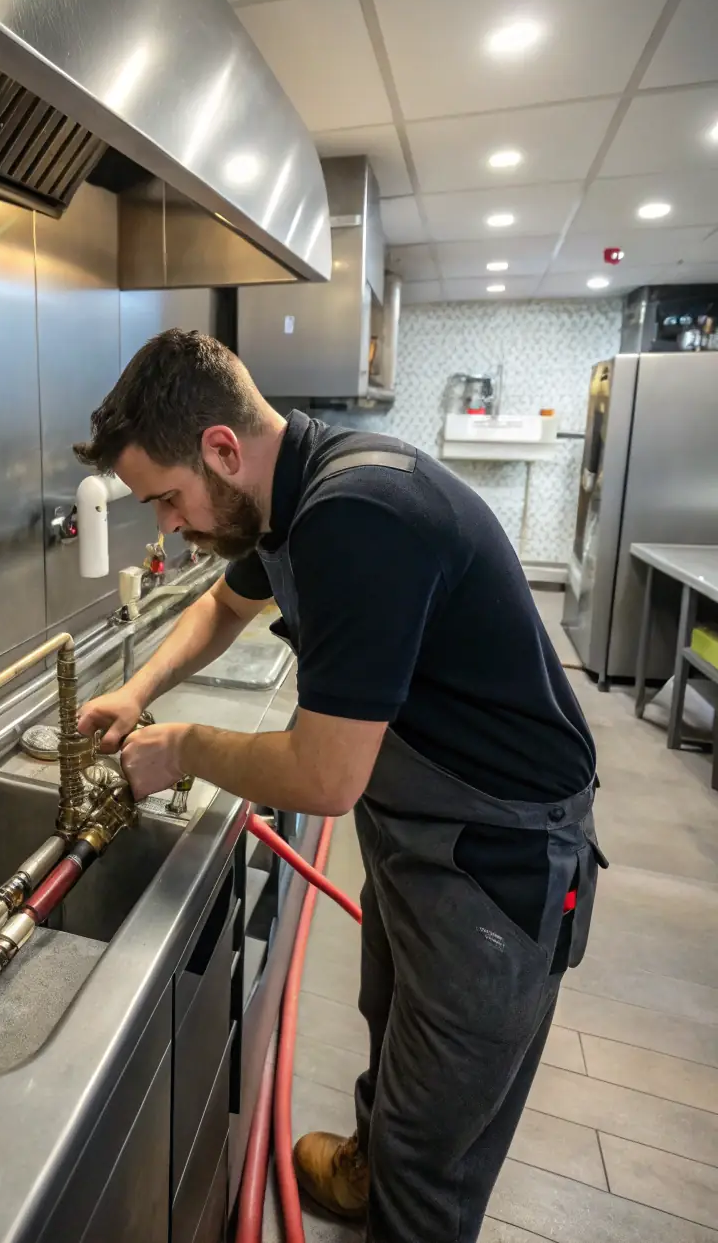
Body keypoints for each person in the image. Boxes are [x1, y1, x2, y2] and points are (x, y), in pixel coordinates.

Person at [74, 329, 604, 1243]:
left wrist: (184, 745)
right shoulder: (284, 495)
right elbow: (222, 605)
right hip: (421, 826)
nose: (167, 524)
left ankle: (402, 1195)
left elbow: (323, 776)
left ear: (223, 450)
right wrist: (136, 689)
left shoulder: (359, 516)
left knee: (436, 1145)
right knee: (389, 1016)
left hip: (500, 859)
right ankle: (370, 1165)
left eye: (166, 497)